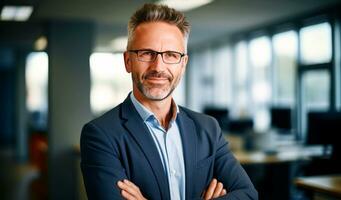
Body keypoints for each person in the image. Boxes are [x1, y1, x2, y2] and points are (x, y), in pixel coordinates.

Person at [80, 3, 257, 200]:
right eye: (147, 53)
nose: (158, 66)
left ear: (183, 64)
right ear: (128, 61)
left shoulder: (208, 128)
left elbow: (248, 195)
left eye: (171, 55)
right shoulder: (101, 135)